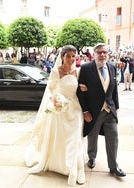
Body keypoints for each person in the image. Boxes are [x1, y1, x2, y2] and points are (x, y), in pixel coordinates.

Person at [24, 45, 86, 186]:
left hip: (75, 109)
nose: (71, 59)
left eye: (73, 56)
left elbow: (80, 88)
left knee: (75, 137)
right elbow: (51, 91)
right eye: (68, 56)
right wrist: (57, 102)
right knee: (60, 137)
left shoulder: (78, 71)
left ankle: (74, 168)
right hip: (59, 108)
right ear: (62, 57)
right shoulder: (55, 71)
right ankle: (60, 164)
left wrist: (83, 88)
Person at [76, 43, 126, 177]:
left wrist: (116, 107)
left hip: (109, 110)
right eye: (99, 52)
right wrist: (85, 111)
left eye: (104, 52)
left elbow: (114, 90)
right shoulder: (86, 68)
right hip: (93, 111)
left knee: (113, 138)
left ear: (108, 53)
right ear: (94, 54)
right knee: (93, 136)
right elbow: (80, 92)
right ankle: (91, 157)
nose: (102, 55)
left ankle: (113, 166)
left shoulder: (112, 67)